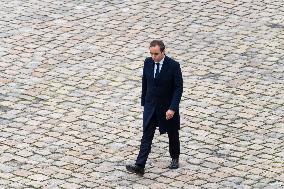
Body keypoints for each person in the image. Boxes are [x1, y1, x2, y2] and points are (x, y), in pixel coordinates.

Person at [126, 40, 183, 176]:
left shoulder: (174, 66)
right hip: (151, 106)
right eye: (151, 54)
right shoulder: (147, 62)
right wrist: (145, 103)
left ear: (163, 52)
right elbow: (145, 82)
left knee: (172, 133)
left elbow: (178, 88)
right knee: (147, 135)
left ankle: (175, 157)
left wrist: (173, 108)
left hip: (167, 107)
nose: (153, 57)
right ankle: (140, 165)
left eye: (156, 54)